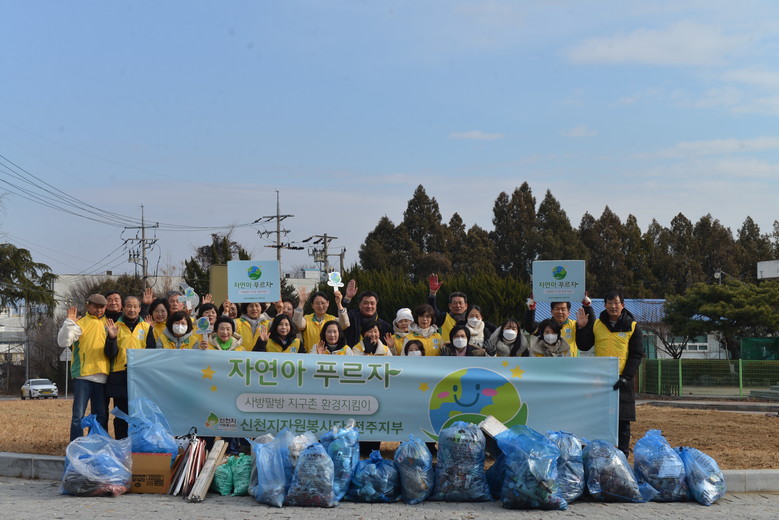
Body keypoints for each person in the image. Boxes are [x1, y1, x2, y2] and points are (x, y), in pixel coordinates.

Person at [576, 290, 644, 456]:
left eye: (616, 303)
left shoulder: (632, 326)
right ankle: (599, 455)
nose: (613, 306)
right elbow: (584, 346)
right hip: (600, 380)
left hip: (622, 380)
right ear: (605, 305)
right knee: (598, 419)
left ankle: (622, 457)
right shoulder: (597, 324)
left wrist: (626, 377)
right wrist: (582, 328)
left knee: (623, 421)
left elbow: (636, 355)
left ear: (622, 305)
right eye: (610, 303)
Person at [57, 293, 110, 441]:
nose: (99, 310)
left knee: (100, 416)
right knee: (78, 416)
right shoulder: (80, 323)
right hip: (83, 376)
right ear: (88, 306)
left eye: (102, 307)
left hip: (102, 378)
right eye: (95, 306)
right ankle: (76, 445)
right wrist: (69, 322)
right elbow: (63, 342)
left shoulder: (109, 323)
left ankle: (96, 444)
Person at [104, 295, 151, 438]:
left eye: (135, 306)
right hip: (120, 375)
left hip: (140, 377)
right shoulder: (115, 326)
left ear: (140, 309)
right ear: (123, 308)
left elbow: (151, 352)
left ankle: (139, 444)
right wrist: (112, 338)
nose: (132, 309)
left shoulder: (147, 327)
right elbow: (110, 353)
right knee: (121, 415)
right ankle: (121, 443)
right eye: (129, 306)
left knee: (140, 413)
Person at [523, 295, 595, 357]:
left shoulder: (575, 325)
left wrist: (587, 308)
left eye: (563, 309)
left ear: (568, 312)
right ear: (551, 311)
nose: (560, 312)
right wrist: (531, 311)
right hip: (549, 363)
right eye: (557, 309)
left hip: (570, 363)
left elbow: (585, 344)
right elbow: (530, 328)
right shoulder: (545, 325)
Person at [293, 286, 349, 353]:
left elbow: (345, 324)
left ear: (328, 303)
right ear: (312, 305)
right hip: (310, 356)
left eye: (323, 303)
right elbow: (297, 325)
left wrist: (339, 304)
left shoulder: (332, 320)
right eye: (317, 303)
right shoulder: (307, 319)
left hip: (328, 356)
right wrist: (301, 303)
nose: (320, 306)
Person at [341, 280, 392, 346]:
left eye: (372, 303)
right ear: (359, 304)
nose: (369, 306)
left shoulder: (384, 326)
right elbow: (342, 316)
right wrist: (347, 298)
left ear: (376, 305)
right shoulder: (351, 319)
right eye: (366, 303)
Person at [426, 274, 468, 345]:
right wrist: (432, 293)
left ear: (466, 306)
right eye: (455, 303)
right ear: (449, 306)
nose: (458, 305)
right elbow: (432, 310)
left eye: (460, 303)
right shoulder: (444, 317)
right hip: (445, 351)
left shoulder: (470, 320)